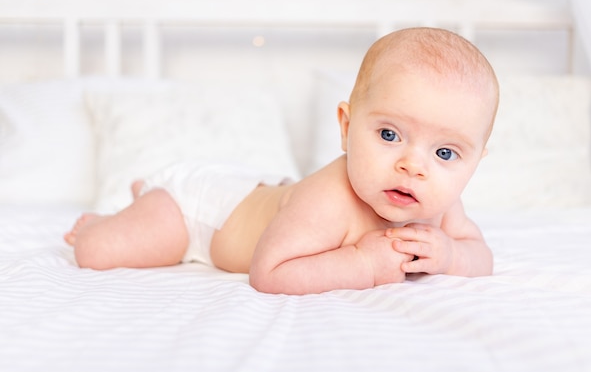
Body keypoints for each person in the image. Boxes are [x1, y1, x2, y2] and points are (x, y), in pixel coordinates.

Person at [64, 27, 498, 295]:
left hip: (261, 192)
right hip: (203, 212)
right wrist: (363, 264)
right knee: (100, 252)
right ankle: (118, 216)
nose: (413, 166)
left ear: (475, 161)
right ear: (347, 128)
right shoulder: (327, 200)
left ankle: (145, 198)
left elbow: (481, 255)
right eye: (389, 134)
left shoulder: (441, 207)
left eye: (445, 153)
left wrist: (450, 257)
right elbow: (269, 272)